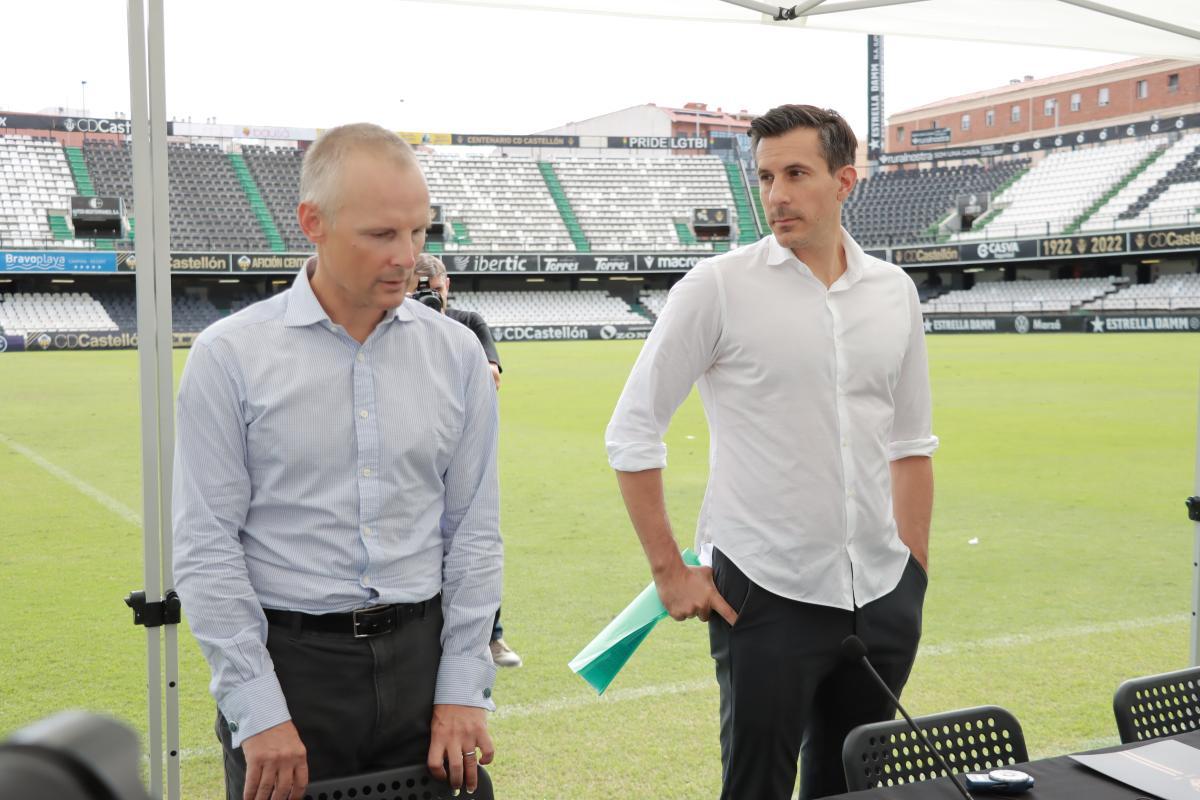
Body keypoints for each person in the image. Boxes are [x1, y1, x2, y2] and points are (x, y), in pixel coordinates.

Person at [605, 104, 937, 800]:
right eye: (764, 176)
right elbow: (632, 432)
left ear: (844, 180)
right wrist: (670, 571)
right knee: (754, 788)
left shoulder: (895, 293)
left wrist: (913, 571)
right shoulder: (717, 288)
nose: (776, 194)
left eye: (796, 173)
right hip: (764, 595)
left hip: (881, 596)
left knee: (851, 789)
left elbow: (911, 444)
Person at [173, 123, 501, 800]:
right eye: (382, 235)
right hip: (293, 669)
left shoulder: (458, 354)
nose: (407, 257)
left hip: (422, 660)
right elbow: (207, 546)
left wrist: (465, 686)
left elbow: (473, 531)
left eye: (419, 233)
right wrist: (258, 709)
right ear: (311, 223)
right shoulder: (230, 356)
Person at [410, 254, 522, 668]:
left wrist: (442, 328)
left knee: (473, 540)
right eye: (416, 288)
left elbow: (492, 378)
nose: (425, 295)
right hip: (412, 452)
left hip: (459, 451)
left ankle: (491, 636)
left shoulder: (468, 323)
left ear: (446, 284)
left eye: (432, 288)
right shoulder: (391, 324)